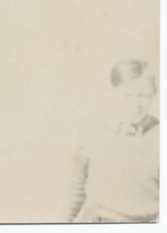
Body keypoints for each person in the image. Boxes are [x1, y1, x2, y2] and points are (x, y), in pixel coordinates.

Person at [64, 59, 158, 223]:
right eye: (127, 95)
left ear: (154, 94)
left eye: (143, 95)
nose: (136, 104)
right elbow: (77, 184)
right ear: (114, 93)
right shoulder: (93, 128)